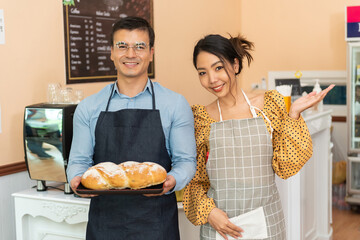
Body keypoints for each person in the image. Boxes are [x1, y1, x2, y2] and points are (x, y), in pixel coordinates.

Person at [182, 34, 334, 240]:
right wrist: (209, 212)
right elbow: (195, 181)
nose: (212, 79)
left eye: (218, 68)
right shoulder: (200, 118)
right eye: (203, 72)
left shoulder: (269, 105)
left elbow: (285, 166)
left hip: (267, 223)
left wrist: (293, 115)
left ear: (235, 65)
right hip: (219, 227)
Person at [66, 16, 197, 240]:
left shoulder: (175, 104)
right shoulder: (88, 108)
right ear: (111, 53)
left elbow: (186, 162)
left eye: (139, 46)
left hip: (157, 225)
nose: (131, 54)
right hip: (104, 225)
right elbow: (79, 162)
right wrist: (76, 179)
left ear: (151, 53)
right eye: (122, 46)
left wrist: (172, 180)